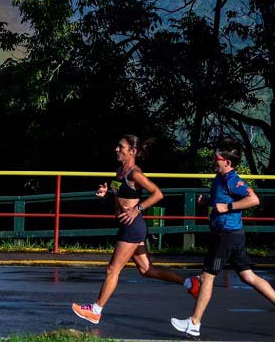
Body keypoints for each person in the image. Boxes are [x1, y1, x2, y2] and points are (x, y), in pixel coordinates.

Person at [170, 137, 275, 337]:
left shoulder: (232, 179)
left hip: (227, 235)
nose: (214, 161)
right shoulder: (219, 179)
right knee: (248, 276)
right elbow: (221, 198)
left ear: (227, 162)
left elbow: (254, 199)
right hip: (232, 235)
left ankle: (194, 323)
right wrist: (208, 201)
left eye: (216, 158)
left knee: (206, 278)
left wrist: (228, 207)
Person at [72, 135, 200, 325]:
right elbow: (120, 197)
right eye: (117, 145)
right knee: (147, 269)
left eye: (120, 146)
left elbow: (158, 194)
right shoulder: (119, 171)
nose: (116, 149)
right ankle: (190, 283)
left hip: (133, 227)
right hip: (128, 227)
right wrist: (106, 193)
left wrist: (137, 209)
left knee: (112, 269)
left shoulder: (135, 173)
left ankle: (96, 310)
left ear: (132, 151)